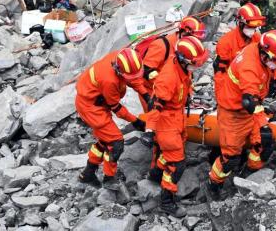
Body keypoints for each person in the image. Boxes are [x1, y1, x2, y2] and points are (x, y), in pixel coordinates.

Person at [207, 30, 276, 200]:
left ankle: (248, 174)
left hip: (251, 108)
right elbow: (249, 101)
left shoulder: (259, 50)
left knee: (265, 144)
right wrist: (263, 123)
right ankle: (214, 184)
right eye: (275, 61)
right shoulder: (249, 67)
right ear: (264, 54)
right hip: (234, 112)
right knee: (230, 158)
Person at [145, 36, 209, 217]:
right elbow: (155, 105)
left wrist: (188, 95)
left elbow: (185, 84)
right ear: (183, 59)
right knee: (177, 164)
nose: (197, 66)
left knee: (174, 151)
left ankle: (155, 174)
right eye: (195, 63)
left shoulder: (182, 67)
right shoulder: (168, 77)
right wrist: (150, 130)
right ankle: (166, 202)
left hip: (177, 116)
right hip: (166, 120)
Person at [76, 48, 149, 190]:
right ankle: (109, 178)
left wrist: (145, 93)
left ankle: (87, 174)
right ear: (118, 71)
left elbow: (133, 78)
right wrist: (136, 121)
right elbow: (116, 108)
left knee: (105, 140)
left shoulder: (122, 59)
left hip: (97, 101)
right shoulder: (109, 81)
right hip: (91, 108)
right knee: (116, 142)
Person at [132, 16, 206, 113]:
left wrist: (188, 93)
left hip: (171, 91)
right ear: (184, 33)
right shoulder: (161, 45)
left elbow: (185, 72)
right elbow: (147, 70)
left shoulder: (186, 49)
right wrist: (167, 86)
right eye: (194, 38)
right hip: (153, 91)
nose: (195, 42)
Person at [213, 3, 264, 98]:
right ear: (240, 22)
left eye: (255, 27)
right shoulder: (226, 42)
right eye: (250, 26)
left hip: (251, 87)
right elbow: (220, 72)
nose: (253, 30)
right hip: (232, 89)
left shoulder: (258, 39)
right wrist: (221, 94)